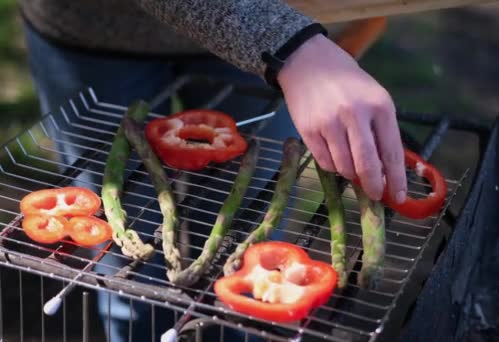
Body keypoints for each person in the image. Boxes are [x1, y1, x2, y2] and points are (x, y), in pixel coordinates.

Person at [17, 1, 408, 340]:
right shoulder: (284, 42)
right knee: (124, 262)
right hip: (95, 34)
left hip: (260, 25)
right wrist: (295, 47)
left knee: (249, 241)